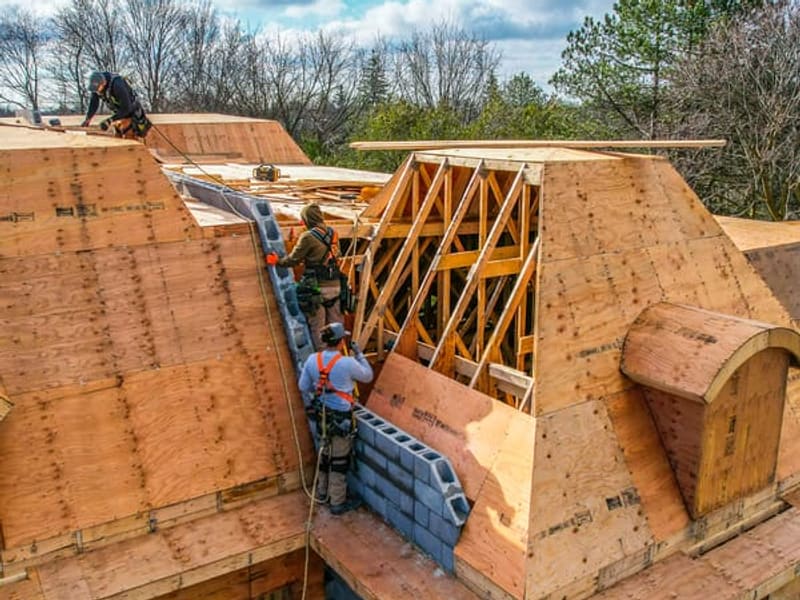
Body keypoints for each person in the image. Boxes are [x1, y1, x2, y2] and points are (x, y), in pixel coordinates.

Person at [298, 322, 373, 515]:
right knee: (339, 460)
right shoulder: (347, 363)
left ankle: (322, 492)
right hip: (341, 419)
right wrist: (359, 354)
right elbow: (367, 376)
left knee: (324, 455)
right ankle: (337, 502)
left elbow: (303, 386)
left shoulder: (313, 359)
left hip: (322, 416)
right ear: (341, 342)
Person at [266, 203, 343, 349]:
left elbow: (293, 260)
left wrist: (277, 261)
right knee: (334, 328)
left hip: (316, 289)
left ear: (306, 219)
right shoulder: (334, 233)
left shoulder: (307, 237)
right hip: (335, 286)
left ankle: (322, 364)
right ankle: (336, 360)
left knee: (318, 329)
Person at [81, 71, 151, 139]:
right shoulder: (97, 87)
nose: (97, 92)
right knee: (117, 136)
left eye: (98, 90)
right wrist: (88, 118)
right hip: (119, 113)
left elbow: (126, 108)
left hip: (131, 111)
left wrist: (109, 121)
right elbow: (94, 103)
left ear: (104, 83)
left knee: (128, 136)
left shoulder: (117, 85)